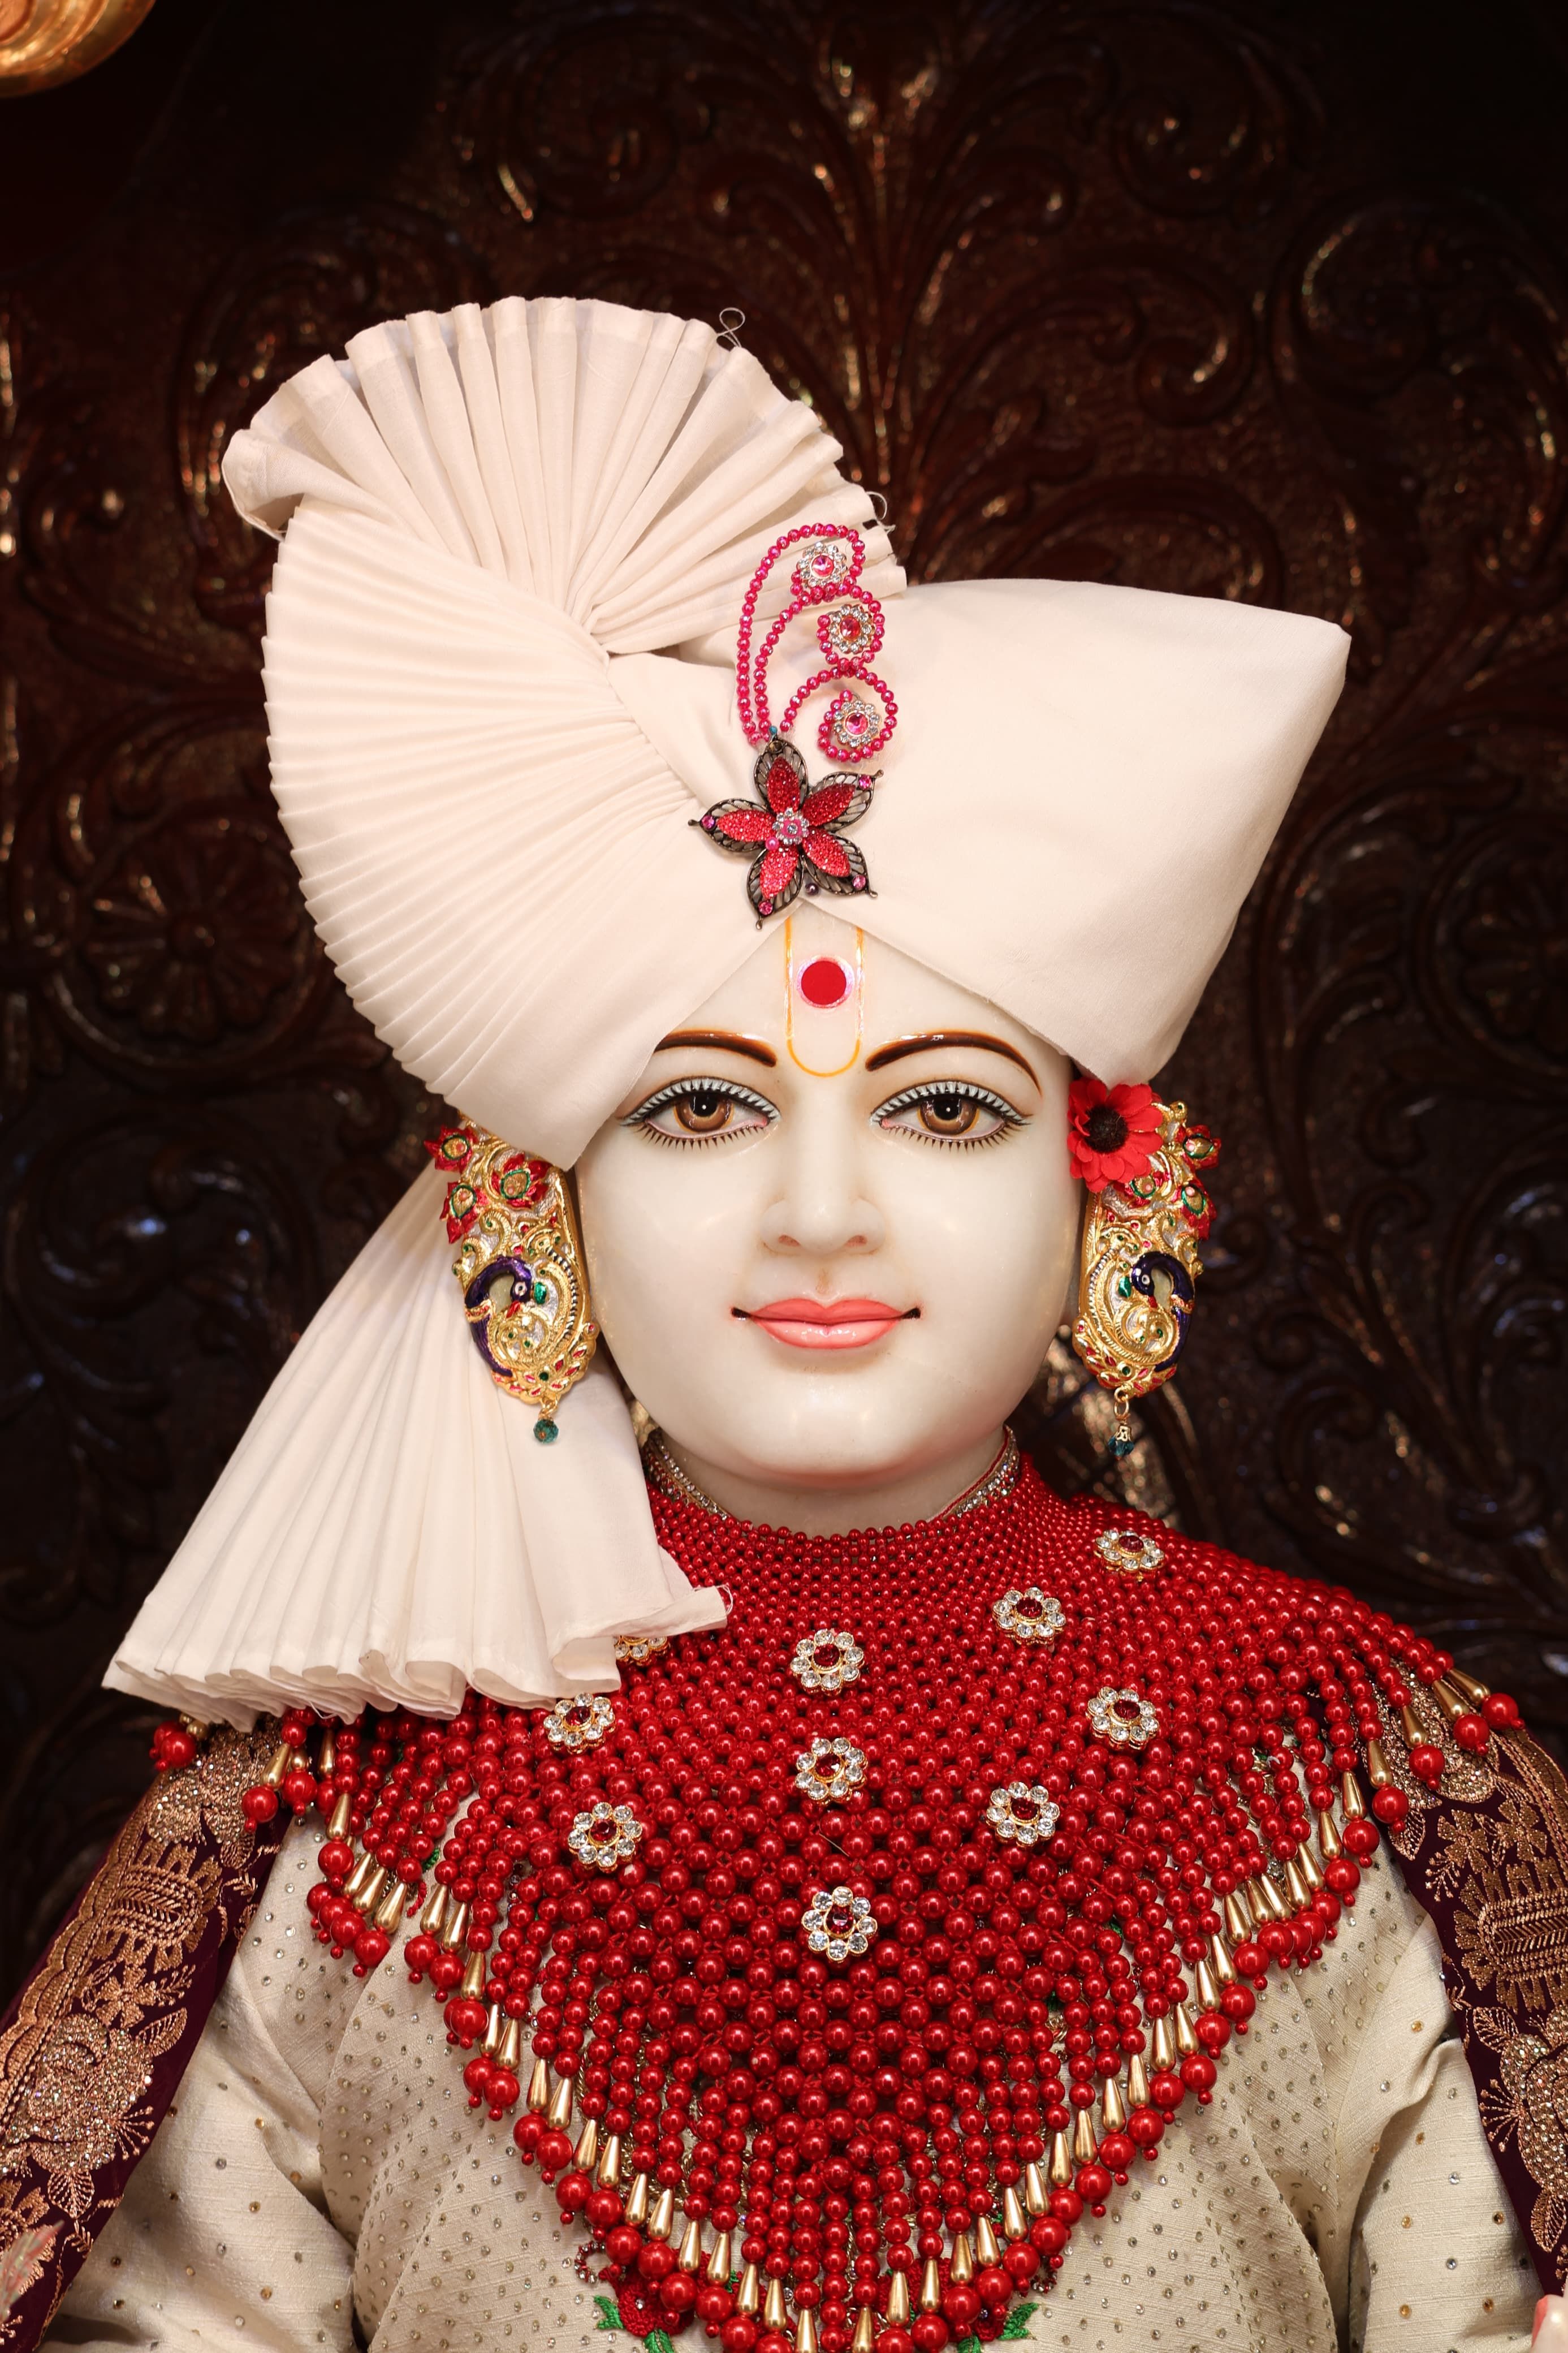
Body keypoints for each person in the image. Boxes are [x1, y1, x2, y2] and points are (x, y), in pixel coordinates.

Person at [1, 298, 1561, 2353]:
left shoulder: (1357, 1770)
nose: (821, 1213)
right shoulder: (322, 1823)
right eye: (700, 1107)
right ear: (533, 1207)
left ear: (1112, 1186)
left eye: (941, 1107)